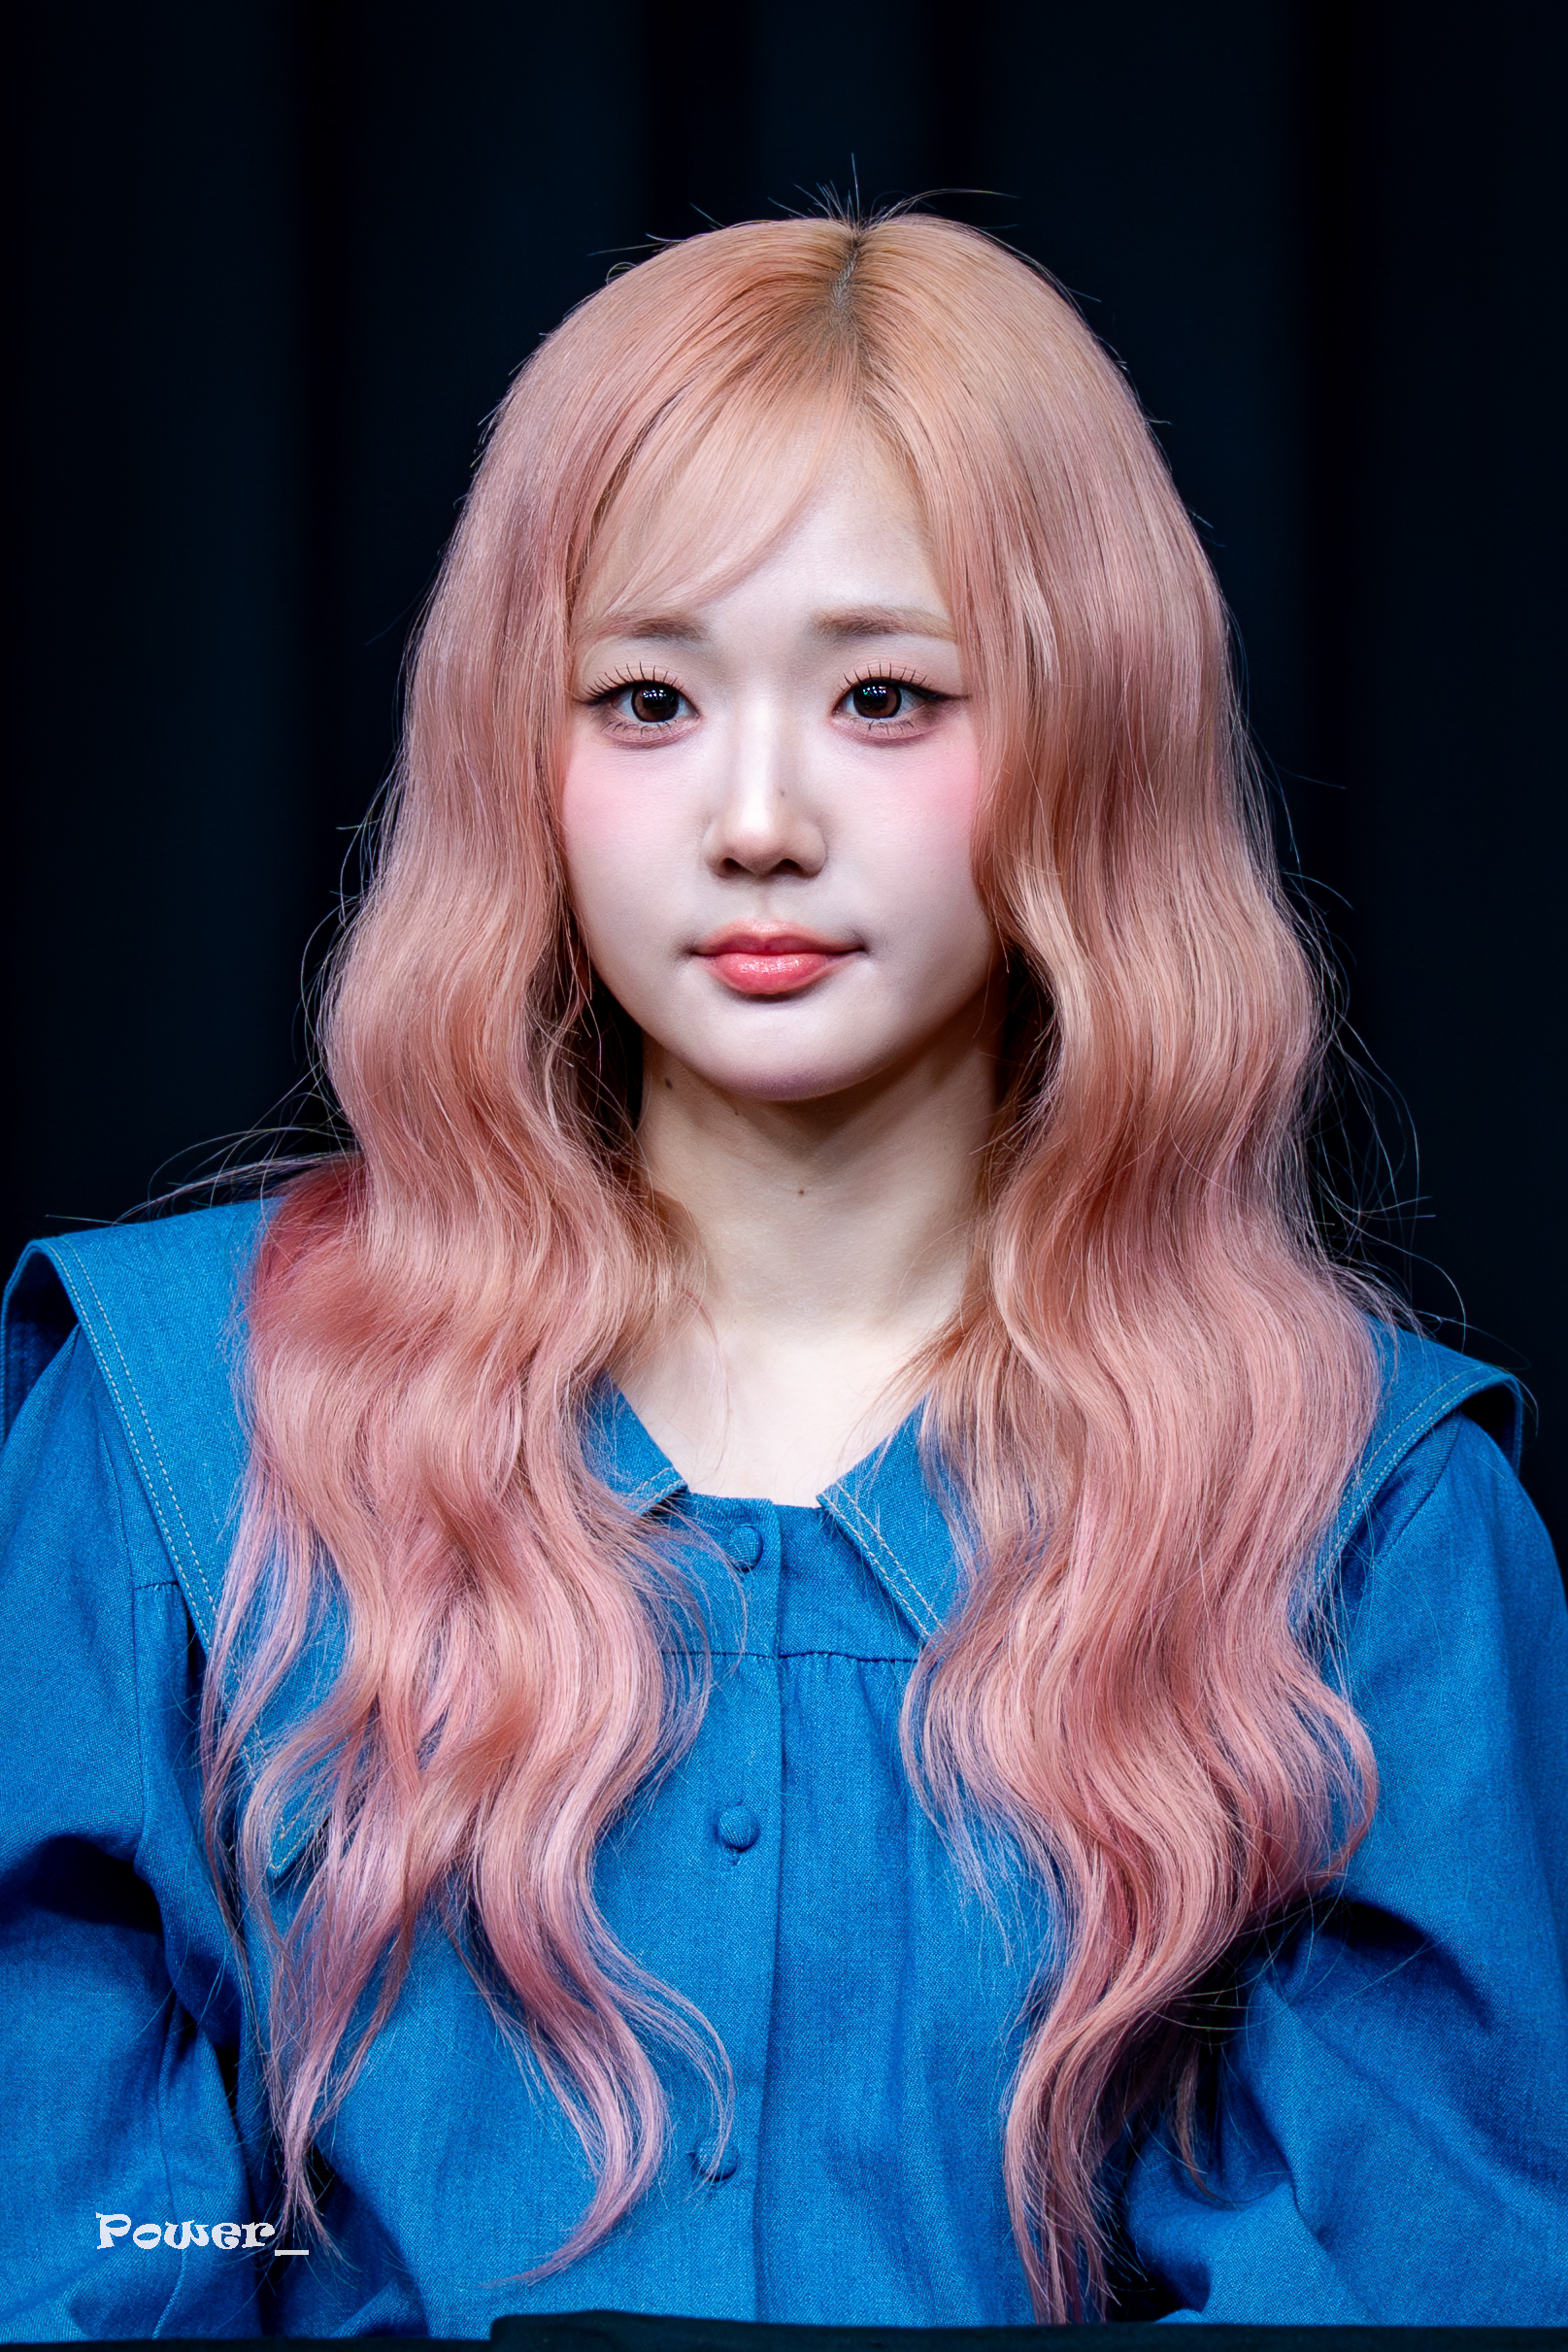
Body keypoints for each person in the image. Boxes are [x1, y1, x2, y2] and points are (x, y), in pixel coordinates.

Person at [2, 212, 1565, 2341]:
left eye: (883, 695)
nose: (755, 815)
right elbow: (90, 2252)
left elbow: (1419, 2274)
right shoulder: (174, 1432)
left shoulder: (1367, 1523)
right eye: (647, 697)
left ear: (1088, 735)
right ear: (520, 752)